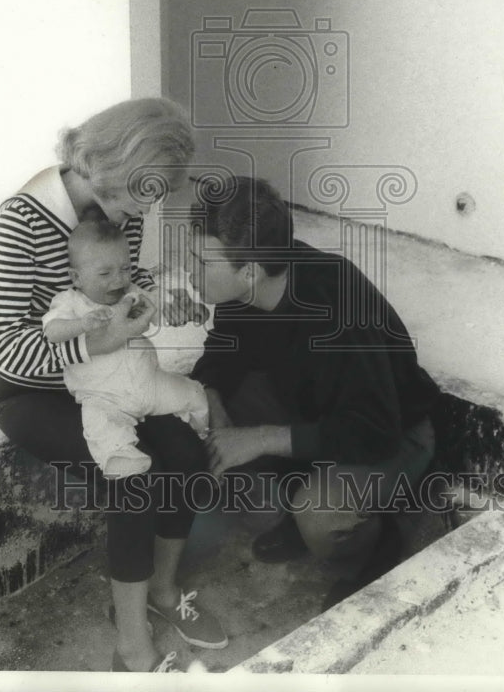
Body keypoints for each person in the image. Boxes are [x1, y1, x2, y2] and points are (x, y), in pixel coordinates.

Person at [0, 97, 226, 673]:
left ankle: (163, 592)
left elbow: (125, 277)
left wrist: (149, 296)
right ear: (104, 164)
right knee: (132, 473)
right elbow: (7, 347)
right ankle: (130, 641)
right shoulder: (21, 220)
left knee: (188, 453)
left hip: (114, 377)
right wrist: (102, 342)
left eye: (153, 195)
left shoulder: (123, 201)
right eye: (138, 194)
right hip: (35, 390)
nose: (141, 210)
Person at [186, 176, 441, 609]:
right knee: (205, 407)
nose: (189, 272)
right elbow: (221, 353)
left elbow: (373, 431)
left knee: (321, 519)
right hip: (318, 413)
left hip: (395, 432)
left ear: (248, 272)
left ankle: (385, 538)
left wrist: (261, 438)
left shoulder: (338, 309)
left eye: (200, 262)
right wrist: (214, 403)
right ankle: (299, 496)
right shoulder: (250, 282)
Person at [44, 215, 209, 478]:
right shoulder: (70, 303)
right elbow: (52, 332)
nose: (118, 280)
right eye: (105, 273)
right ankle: (121, 458)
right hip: (105, 396)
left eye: (125, 269)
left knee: (194, 393)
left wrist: (186, 311)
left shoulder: (131, 293)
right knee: (100, 424)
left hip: (150, 384)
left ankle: (203, 430)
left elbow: (158, 311)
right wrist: (82, 325)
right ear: (76, 277)